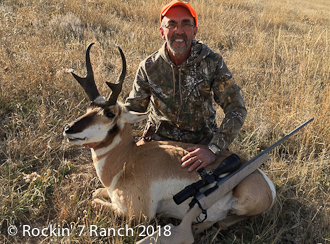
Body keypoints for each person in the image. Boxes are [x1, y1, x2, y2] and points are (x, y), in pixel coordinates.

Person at [125, 0, 247, 172]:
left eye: (186, 24)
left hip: (201, 145)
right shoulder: (149, 66)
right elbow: (132, 111)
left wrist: (214, 148)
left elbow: (236, 108)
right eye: (171, 24)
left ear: (194, 31)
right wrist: (100, 128)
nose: (179, 31)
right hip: (159, 144)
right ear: (162, 32)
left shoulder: (212, 62)